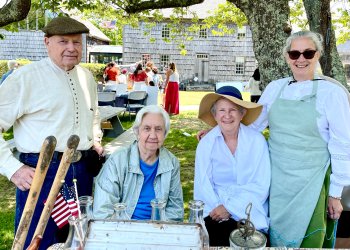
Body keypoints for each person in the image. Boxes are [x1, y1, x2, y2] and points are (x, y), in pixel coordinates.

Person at [0, 16, 104, 249]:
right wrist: (12, 167)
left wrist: (95, 139)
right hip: (43, 172)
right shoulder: (25, 78)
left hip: (82, 172)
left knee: (78, 238)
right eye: (63, 41)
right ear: (47, 42)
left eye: (77, 42)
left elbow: (93, 114)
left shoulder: (86, 77)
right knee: (38, 240)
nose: (71, 48)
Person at [250, 31, 350, 248]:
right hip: (277, 181)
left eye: (308, 53)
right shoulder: (275, 88)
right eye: (295, 53)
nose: (301, 59)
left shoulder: (332, 93)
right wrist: (216, 132)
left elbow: (343, 144)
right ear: (287, 57)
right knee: (276, 238)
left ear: (317, 55)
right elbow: (253, 126)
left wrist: (335, 195)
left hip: (311, 183)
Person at [194, 86, 270, 246]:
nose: (227, 115)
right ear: (214, 115)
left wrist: (230, 207)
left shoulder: (257, 141)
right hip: (215, 214)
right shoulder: (206, 144)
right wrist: (220, 211)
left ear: (242, 113)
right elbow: (203, 186)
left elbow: (261, 185)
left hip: (250, 213)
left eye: (233, 110)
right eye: (221, 110)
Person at [93, 105, 184, 221]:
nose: (153, 135)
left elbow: (175, 211)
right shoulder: (118, 160)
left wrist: (161, 232)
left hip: (159, 230)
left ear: (165, 133)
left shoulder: (171, 163)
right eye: (147, 128)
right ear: (137, 132)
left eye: (158, 129)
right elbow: (103, 210)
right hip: (123, 228)